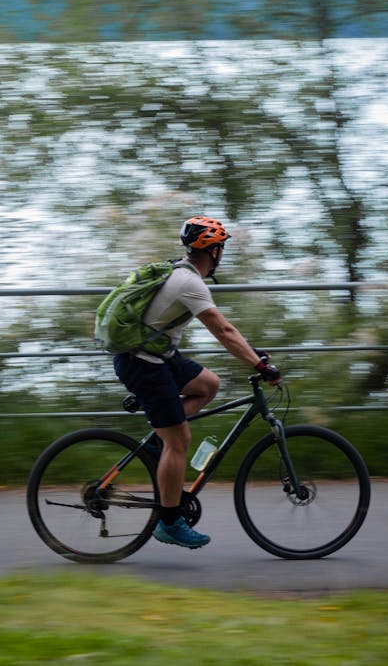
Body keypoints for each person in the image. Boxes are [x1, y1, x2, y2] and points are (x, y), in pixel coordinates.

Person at [114, 216, 281, 550]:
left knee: (208, 385)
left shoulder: (178, 272)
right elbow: (223, 331)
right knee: (180, 440)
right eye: (221, 248)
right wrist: (259, 364)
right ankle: (170, 521)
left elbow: (226, 332)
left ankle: (159, 441)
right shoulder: (190, 283)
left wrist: (252, 354)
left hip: (155, 356)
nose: (223, 254)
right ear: (213, 251)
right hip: (143, 363)